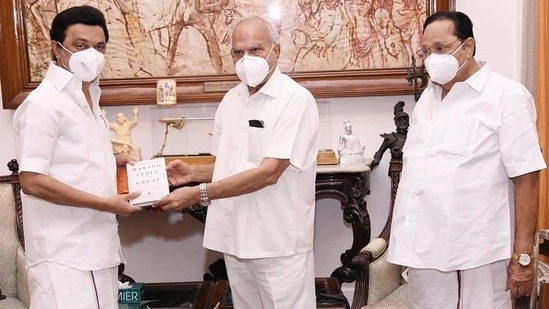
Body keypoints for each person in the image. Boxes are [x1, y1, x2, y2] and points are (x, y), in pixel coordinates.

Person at [153, 15, 320, 309]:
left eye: (255, 50)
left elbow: (268, 173)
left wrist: (199, 192)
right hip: (236, 239)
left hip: (277, 241)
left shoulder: (295, 99)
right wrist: (193, 172)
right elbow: (228, 163)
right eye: (238, 52)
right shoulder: (231, 100)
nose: (246, 59)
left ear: (275, 51)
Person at [386, 11, 547, 308]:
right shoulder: (427, 101)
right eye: (427, 51)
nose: (432, 58)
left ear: (468, 46)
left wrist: (523, 257)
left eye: (442, 48)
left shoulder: (507, 96)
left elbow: (527, 176)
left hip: (477, 255)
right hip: (423, 251)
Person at [12, 6, 142, 309]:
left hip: (98, 250)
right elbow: (32, 181)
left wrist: (113, 160)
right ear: (57, 50)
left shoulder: (88, 97)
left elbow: (72, 157)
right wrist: (105, 204)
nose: (91, 55)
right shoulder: (44, 104)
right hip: (64, 257)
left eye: (99, 47)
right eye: (80, 46)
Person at [370, 101, 409, 168]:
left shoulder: (412, 136)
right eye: (400, 120)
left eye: (405, 120)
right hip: (395, 169)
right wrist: (376, 160)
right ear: (396, 123)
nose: (402, 122)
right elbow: (380, 151)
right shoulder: (391, 138)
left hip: (410, 167)